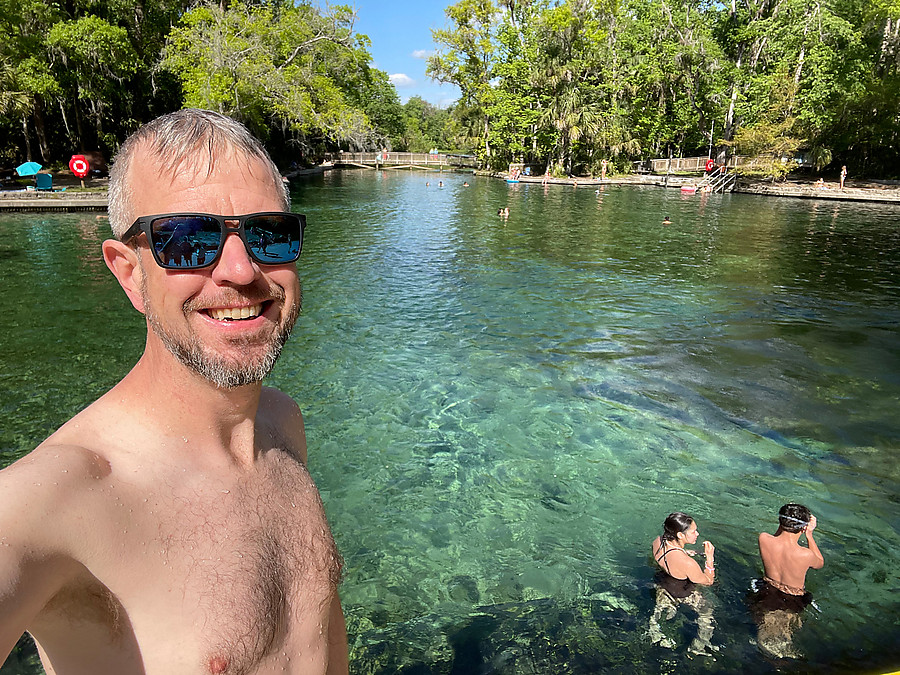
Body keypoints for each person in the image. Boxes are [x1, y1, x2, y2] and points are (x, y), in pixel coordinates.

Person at [0, 109, 348, 674]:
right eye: (188, 240)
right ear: (129, 273)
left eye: (269, 234)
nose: (240, 270)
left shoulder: (281, 423)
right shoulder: (51, 504)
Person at [750, 503, 824, 659]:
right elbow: (819, 563)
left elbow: (778, 536)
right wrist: (810, 535)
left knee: (765, 631)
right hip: (791, 599)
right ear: (803, 528)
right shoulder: (805, 555)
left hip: (765, 590)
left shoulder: (764, 538)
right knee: (783, 641)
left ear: (780, 521)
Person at [648, 512, 717, 656]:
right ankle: (698, 646)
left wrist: (686, 552)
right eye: (693, 531)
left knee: (660, 614)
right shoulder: (688, 563)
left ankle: (654, 632)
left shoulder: (658, 541)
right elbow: (708, 581)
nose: (697, 534)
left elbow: (673, 555)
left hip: (662, 583)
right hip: (682, 592)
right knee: (707, 611)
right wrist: (710, 559)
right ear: (680, 535)